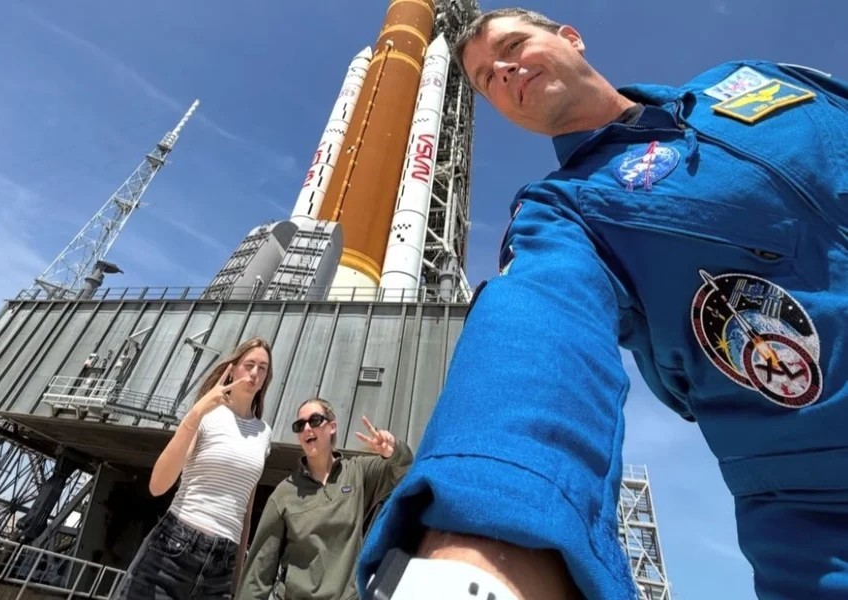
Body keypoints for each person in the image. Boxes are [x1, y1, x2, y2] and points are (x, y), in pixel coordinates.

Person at [356, 8, 848, 600]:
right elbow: (539, 323)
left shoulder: (745, 81)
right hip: (824, 510)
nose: (505, 71)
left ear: (570, 37)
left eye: (514, 46)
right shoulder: (565, 211)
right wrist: (485, 540)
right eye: (487, 79)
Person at [113, 337, 274, 599]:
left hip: (223, 563)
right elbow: (158, 485)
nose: (255, 373)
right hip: (173, 547)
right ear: (233, 369)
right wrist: (195, 414)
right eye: (249, 364)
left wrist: (237, 577)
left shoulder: (264, 433)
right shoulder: (206, 415)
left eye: (263, 368)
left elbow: (245, 508)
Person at [238, 398, 413, 600]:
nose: (306, 428)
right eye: (299, 425)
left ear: (332, 427)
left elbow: (404, 469)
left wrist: (394, 450)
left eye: (314, 420)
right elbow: (259, 570)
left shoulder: (358, 473)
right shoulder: (284, 494)